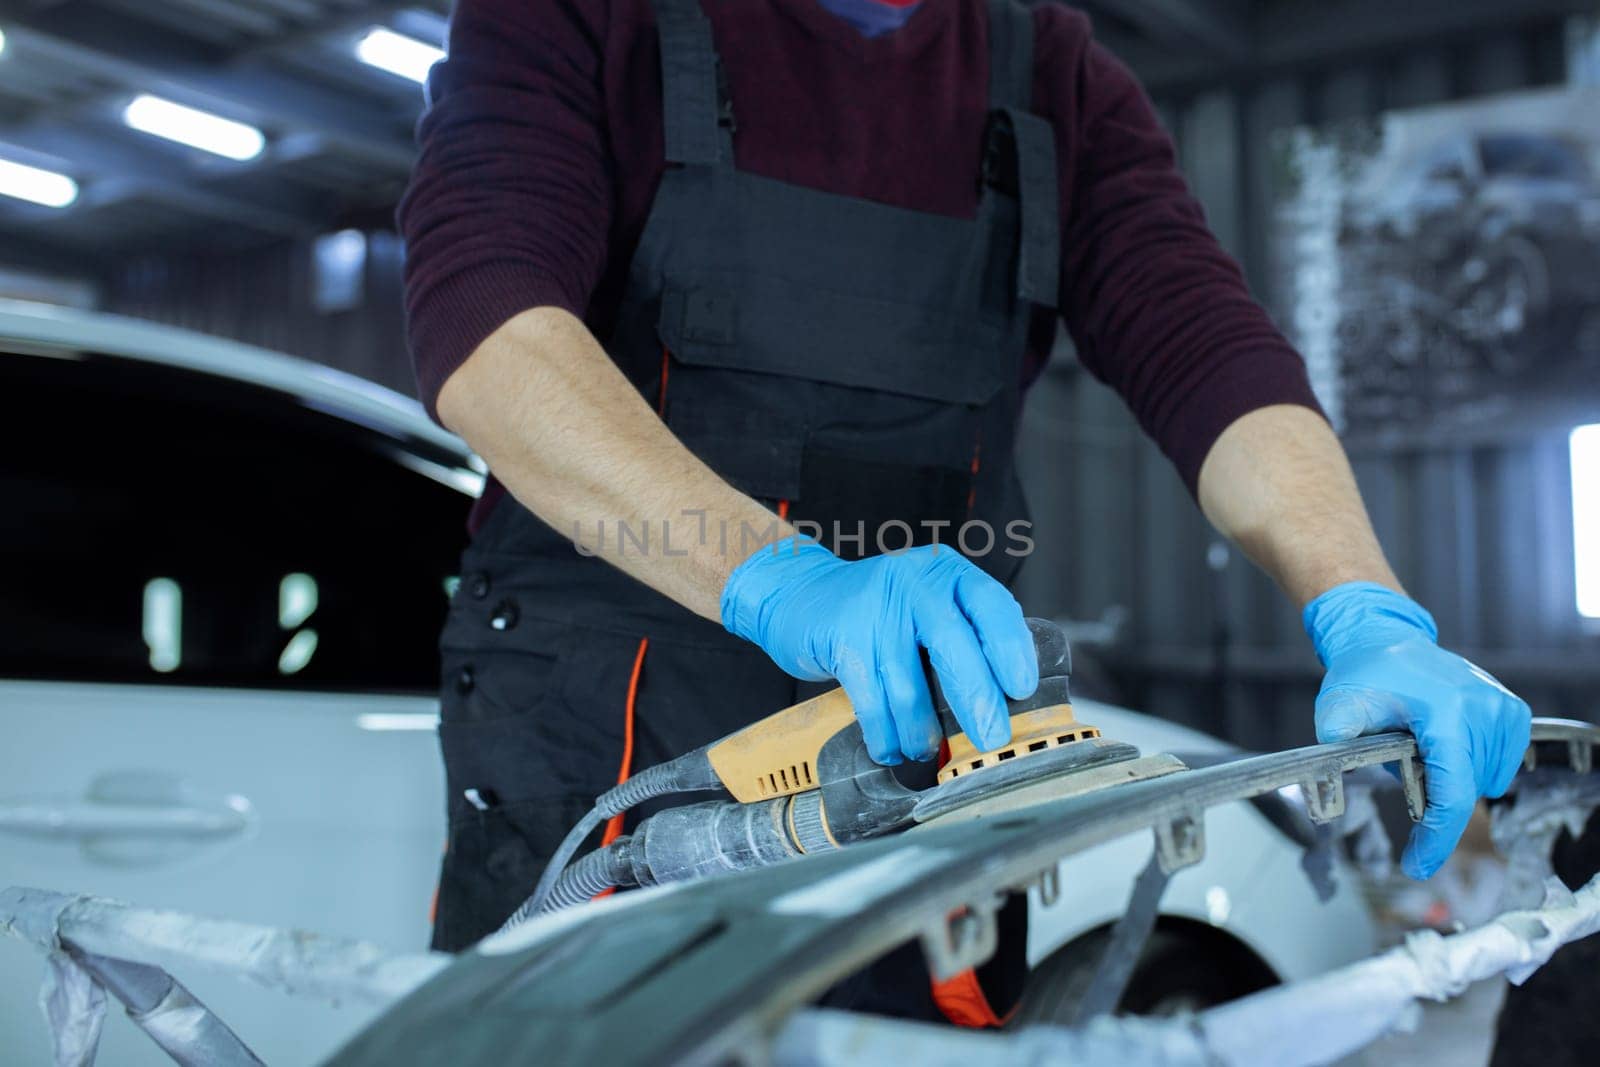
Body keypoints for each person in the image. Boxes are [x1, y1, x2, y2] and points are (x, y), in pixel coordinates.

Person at [399, 0, 1531, 1025]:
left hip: (930, 739)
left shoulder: (1052, 72)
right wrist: (783, 579)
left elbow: (1211, 357)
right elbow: (492, 329)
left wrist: (1362, 603)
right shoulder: (580, 17)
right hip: (608, 716)